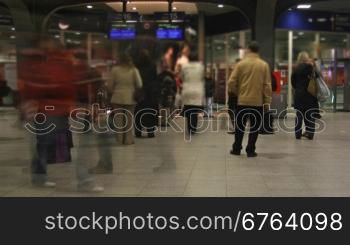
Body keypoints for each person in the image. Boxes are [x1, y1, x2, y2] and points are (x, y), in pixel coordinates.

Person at [228, 41, 272, 157]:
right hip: (257, 102)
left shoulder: (241, 64)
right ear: (258, 51)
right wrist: (267, 102)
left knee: (239, 126)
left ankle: (236, 148)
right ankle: (250, 150)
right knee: (254, 127)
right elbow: (267, 86)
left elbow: (231, 82)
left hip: (242, 101)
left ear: (248, 50)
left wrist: (238, 93)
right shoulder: (263, 65)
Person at [109, 52, 143, 145]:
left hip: (117, 97)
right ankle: (128, 140)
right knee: (129, 120)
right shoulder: (133, 70)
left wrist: (113, 91)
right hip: (130, 97)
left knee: (118, 120)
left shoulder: (114, 70)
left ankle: (119, 140)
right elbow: (139, 84)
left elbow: (110, 85)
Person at [292, 52, 319, 140]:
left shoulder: (296, 68)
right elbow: (317, 77)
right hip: (309, 95)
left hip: (299, 95)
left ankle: (297, 134)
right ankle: (310, 133)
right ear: (307, 58)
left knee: (299, 115)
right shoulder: (310, 68)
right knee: (310, 114)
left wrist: (298, 88)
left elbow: (293, 82)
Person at [134, 49, 159, 138]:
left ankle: (138, 130)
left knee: (138, 112)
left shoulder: (136, 66)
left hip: (140, 92)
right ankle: (150, 131)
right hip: (150, 93)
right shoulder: (152, 65)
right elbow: (155, 79)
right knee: (150, 112)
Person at [180, 53, 205, 135]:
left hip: (187, 89)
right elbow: (202, 77)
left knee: (188, 109)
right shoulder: (201, 67)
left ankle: (189, 128)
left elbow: (181, 77)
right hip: (197, 89)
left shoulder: (184, 66)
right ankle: (193, 128)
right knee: (194, 110)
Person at [227, 58, 241, 134]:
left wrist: (234, 92)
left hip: (234, 94)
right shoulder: (242, 72)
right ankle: (237, 128)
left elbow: (231, 82)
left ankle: (237, 128)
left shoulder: (235, 71)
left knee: (232, 111)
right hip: (237, 94)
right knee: (236, 111)